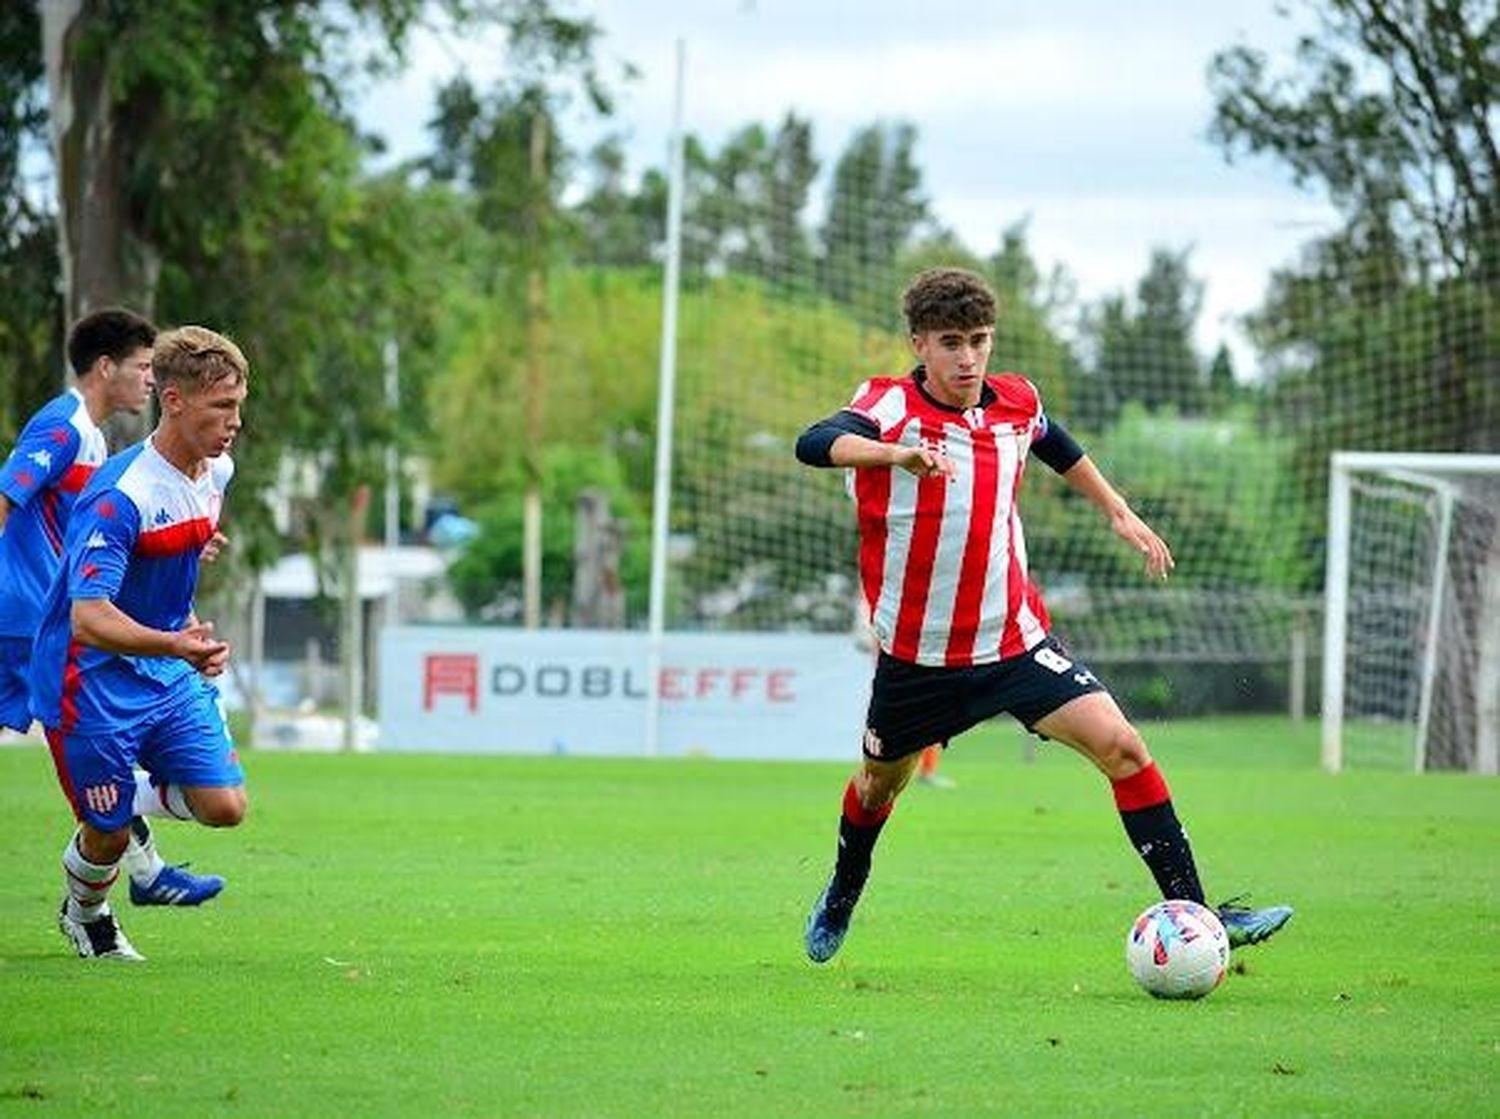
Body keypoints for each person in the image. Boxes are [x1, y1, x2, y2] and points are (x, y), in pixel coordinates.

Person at [794, 267, 1292, 964]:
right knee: (879, 786)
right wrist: (893, 454)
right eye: (950, 343)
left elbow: (1057, 443)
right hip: (918, 658)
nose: (968, 358)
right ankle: (845, 888)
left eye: (979, 341)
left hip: (1014, 644)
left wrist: (1118, 511)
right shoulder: (886, 405)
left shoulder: (1016, 401)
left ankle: (1199, 914)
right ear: (920, 343)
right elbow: (815, 442)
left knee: (1123, 747)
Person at [32, 324, 250, 960]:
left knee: (226, 806)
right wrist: (177, 644)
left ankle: (125, 796)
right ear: (173, 401)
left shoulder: (217, 471)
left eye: (238, 406)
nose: (234, 421)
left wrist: (194, 545)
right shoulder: (119, 495)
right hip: (89, 677)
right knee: (103, 831)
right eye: (221, 407)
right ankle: (87, 915)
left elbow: (184, 525)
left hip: (163, 667)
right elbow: (89, 619)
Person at [0, 309, 224, 909]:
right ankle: (140, 873)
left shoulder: (97, 439)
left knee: (95, 772)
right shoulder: (64, 425)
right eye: (143, 368)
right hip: (20, 617)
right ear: (106, 368)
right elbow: (6, 495)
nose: (149, 382)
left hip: (37, 615)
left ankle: (145, 869)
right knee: (90, 765)